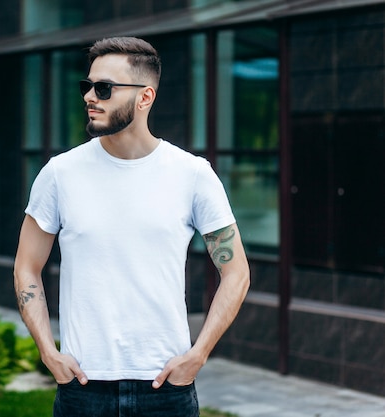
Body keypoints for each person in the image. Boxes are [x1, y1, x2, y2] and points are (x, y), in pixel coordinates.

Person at [13, 36, 250, 417]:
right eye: (86, 86)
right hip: (83, 387)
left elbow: (235, 272)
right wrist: (48, 352)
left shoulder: (192, 175)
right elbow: (27, 266)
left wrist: (198, 354)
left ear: (145, 97)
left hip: (166, 388)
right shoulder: (59, 174)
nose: (90, 96)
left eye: (104, 88)